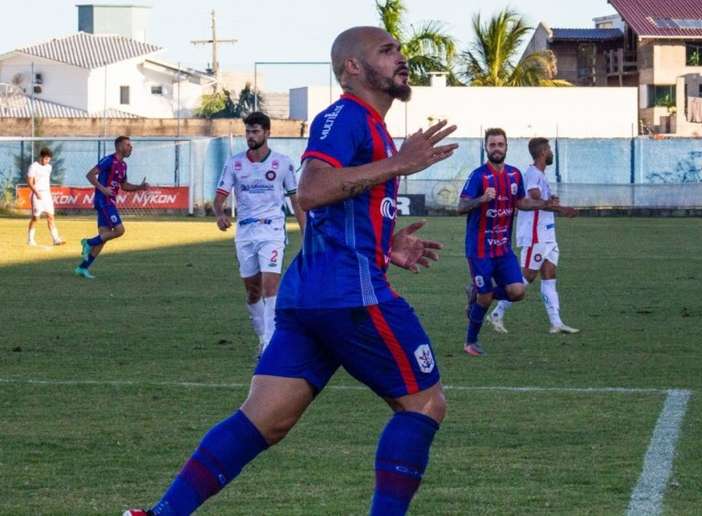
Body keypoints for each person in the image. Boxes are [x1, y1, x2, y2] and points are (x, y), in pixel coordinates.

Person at [124, 26, 458, 516]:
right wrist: (399, 164)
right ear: (352, 68)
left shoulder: (369, 126)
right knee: (425, 404)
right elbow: (312, 191)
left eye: (400, 50)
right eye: (386, 52)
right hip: (352, 298)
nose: (400, 59)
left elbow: (339, 215)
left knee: (264, 420)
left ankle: (161, 514)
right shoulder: (348, 116)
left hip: (309, 298)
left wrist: (389, 246)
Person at [457, 129, 559, 356]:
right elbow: (460, 207)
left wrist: (544, 203)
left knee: (517, 292)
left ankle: (476, 290)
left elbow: (521, 202)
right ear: (486, 148)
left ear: (506, 147)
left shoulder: (514, 175)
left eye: (500, 144)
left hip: (503, 249)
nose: (496, 148)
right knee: (485, 298)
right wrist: (482, 199)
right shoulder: (478, 176)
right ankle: (470, 342)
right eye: (492, 144)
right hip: (480, 249)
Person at [214, 112, 306, 355]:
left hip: (272, 229)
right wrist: (220, 214)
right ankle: (262, 335)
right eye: (248, 132)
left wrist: (306, 230)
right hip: (245, 231)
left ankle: (269, 344)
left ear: (267, 133)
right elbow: (220, 196)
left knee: (269, 285)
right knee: (253, 292)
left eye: (255, 131)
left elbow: (296, 200)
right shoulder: (234, 163)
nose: (250, 136)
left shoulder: (283, 163)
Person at [489, 138, 579, 335]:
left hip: (547, 235)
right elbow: (533, 195)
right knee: (526, 278)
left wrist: (556, 206)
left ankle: (556, 323)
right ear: (543, 152)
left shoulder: (540, 174)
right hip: (535, 236)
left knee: (549, 276)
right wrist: (558, 206)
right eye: (549, 150)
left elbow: (543, 202)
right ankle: (492, 307)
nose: (551, 153)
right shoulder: (533, 174)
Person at [75, 136, 149, 279]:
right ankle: (88, 242)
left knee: (104, 236)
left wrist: (140, 187)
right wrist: (103, 189)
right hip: (104, 200)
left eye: (131, 145)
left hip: (110, 200)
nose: (130, 148)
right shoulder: (109, 160)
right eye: (128, 145)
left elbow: (124, 186)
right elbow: (90, 175)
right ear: (119, 146)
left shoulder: (123, 166)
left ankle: (82, 268)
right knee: (120, 230)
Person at [26, 147, 65, 246]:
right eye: (46, 159)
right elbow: (30, 182)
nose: (47, 161)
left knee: (51, 216)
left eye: (49, 159)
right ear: (41, 157)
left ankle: (55, 239)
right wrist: (36, 192)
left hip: (47, 195)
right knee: (36, 218)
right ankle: (30, 240)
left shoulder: (49, 167)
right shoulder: (33, 167)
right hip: (37, 194)